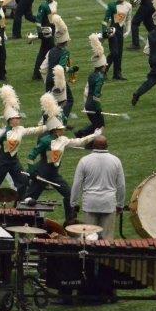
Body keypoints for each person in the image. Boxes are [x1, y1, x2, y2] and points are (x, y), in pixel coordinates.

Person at [24, 93, 100, 221]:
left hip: (54, 174)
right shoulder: (45, 141)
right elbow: (31, 156)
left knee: (69, 195)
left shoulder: (64, 140)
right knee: (28, 200)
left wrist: (94, 135)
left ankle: (69, 220)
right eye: (60, 128)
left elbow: (79, 142)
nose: (63, 130)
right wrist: (32, 172)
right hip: (41, 175)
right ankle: (22, 220)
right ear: (55, 129)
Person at [0, 85, 46, 206]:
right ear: (10, 120)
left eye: (18, 118)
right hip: (1, 162)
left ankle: (18, 204)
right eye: (16, 118)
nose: (19, 119)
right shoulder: (3, 131)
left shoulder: (20, 129)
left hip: (14, 161)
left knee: (24, 182)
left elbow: (33, 130)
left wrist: (48, 126)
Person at [69, 136, 125, 240]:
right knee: (107, 239)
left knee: (90, 238)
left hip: (90, 204)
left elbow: (76, 184)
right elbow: (121, 185)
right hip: (108, 204)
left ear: (93, 146)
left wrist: (73, 203)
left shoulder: (84, 161)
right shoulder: (116, 161)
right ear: (107, 146)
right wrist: (120, 205)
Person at [102, 0, 132, 80]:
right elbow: (105, 19)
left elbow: (129, 19)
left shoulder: (128, 6)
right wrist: (104, 30)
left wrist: (128, 30)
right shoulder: (111, 5)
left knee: (119, 53)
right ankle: (104, 70)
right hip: (113, 30)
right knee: (114, 52)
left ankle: (117, 74)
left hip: (120, 31)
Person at [76, 34, 108, 138]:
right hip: (93, 105)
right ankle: (89, 140)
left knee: (96, 125)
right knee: (100, 126)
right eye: (105, 65)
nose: (106, 66)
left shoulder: (92, 75)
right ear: (102, 66)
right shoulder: (100, 77)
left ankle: (80, 134)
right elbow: (96, 94)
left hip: (88, 104)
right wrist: (98, 108)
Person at [40, 16, 77, 99]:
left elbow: (42, 67)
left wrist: (46, 78)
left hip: (49, 78)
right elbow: (61, 68)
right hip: (58, 79)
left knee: (50, 101)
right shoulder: (65, 52)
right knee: (69, 100)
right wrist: (71, 69)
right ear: (66, 41)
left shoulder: (51, 50)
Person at [31, 0, 57, 81]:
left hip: (52, 30)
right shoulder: (43, 6)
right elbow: (38, 20)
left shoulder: (54, 4)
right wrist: (40, 32)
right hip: (46, 32)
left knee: (43, 53)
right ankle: (51, 71)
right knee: (52, 51)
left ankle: (37, 73)